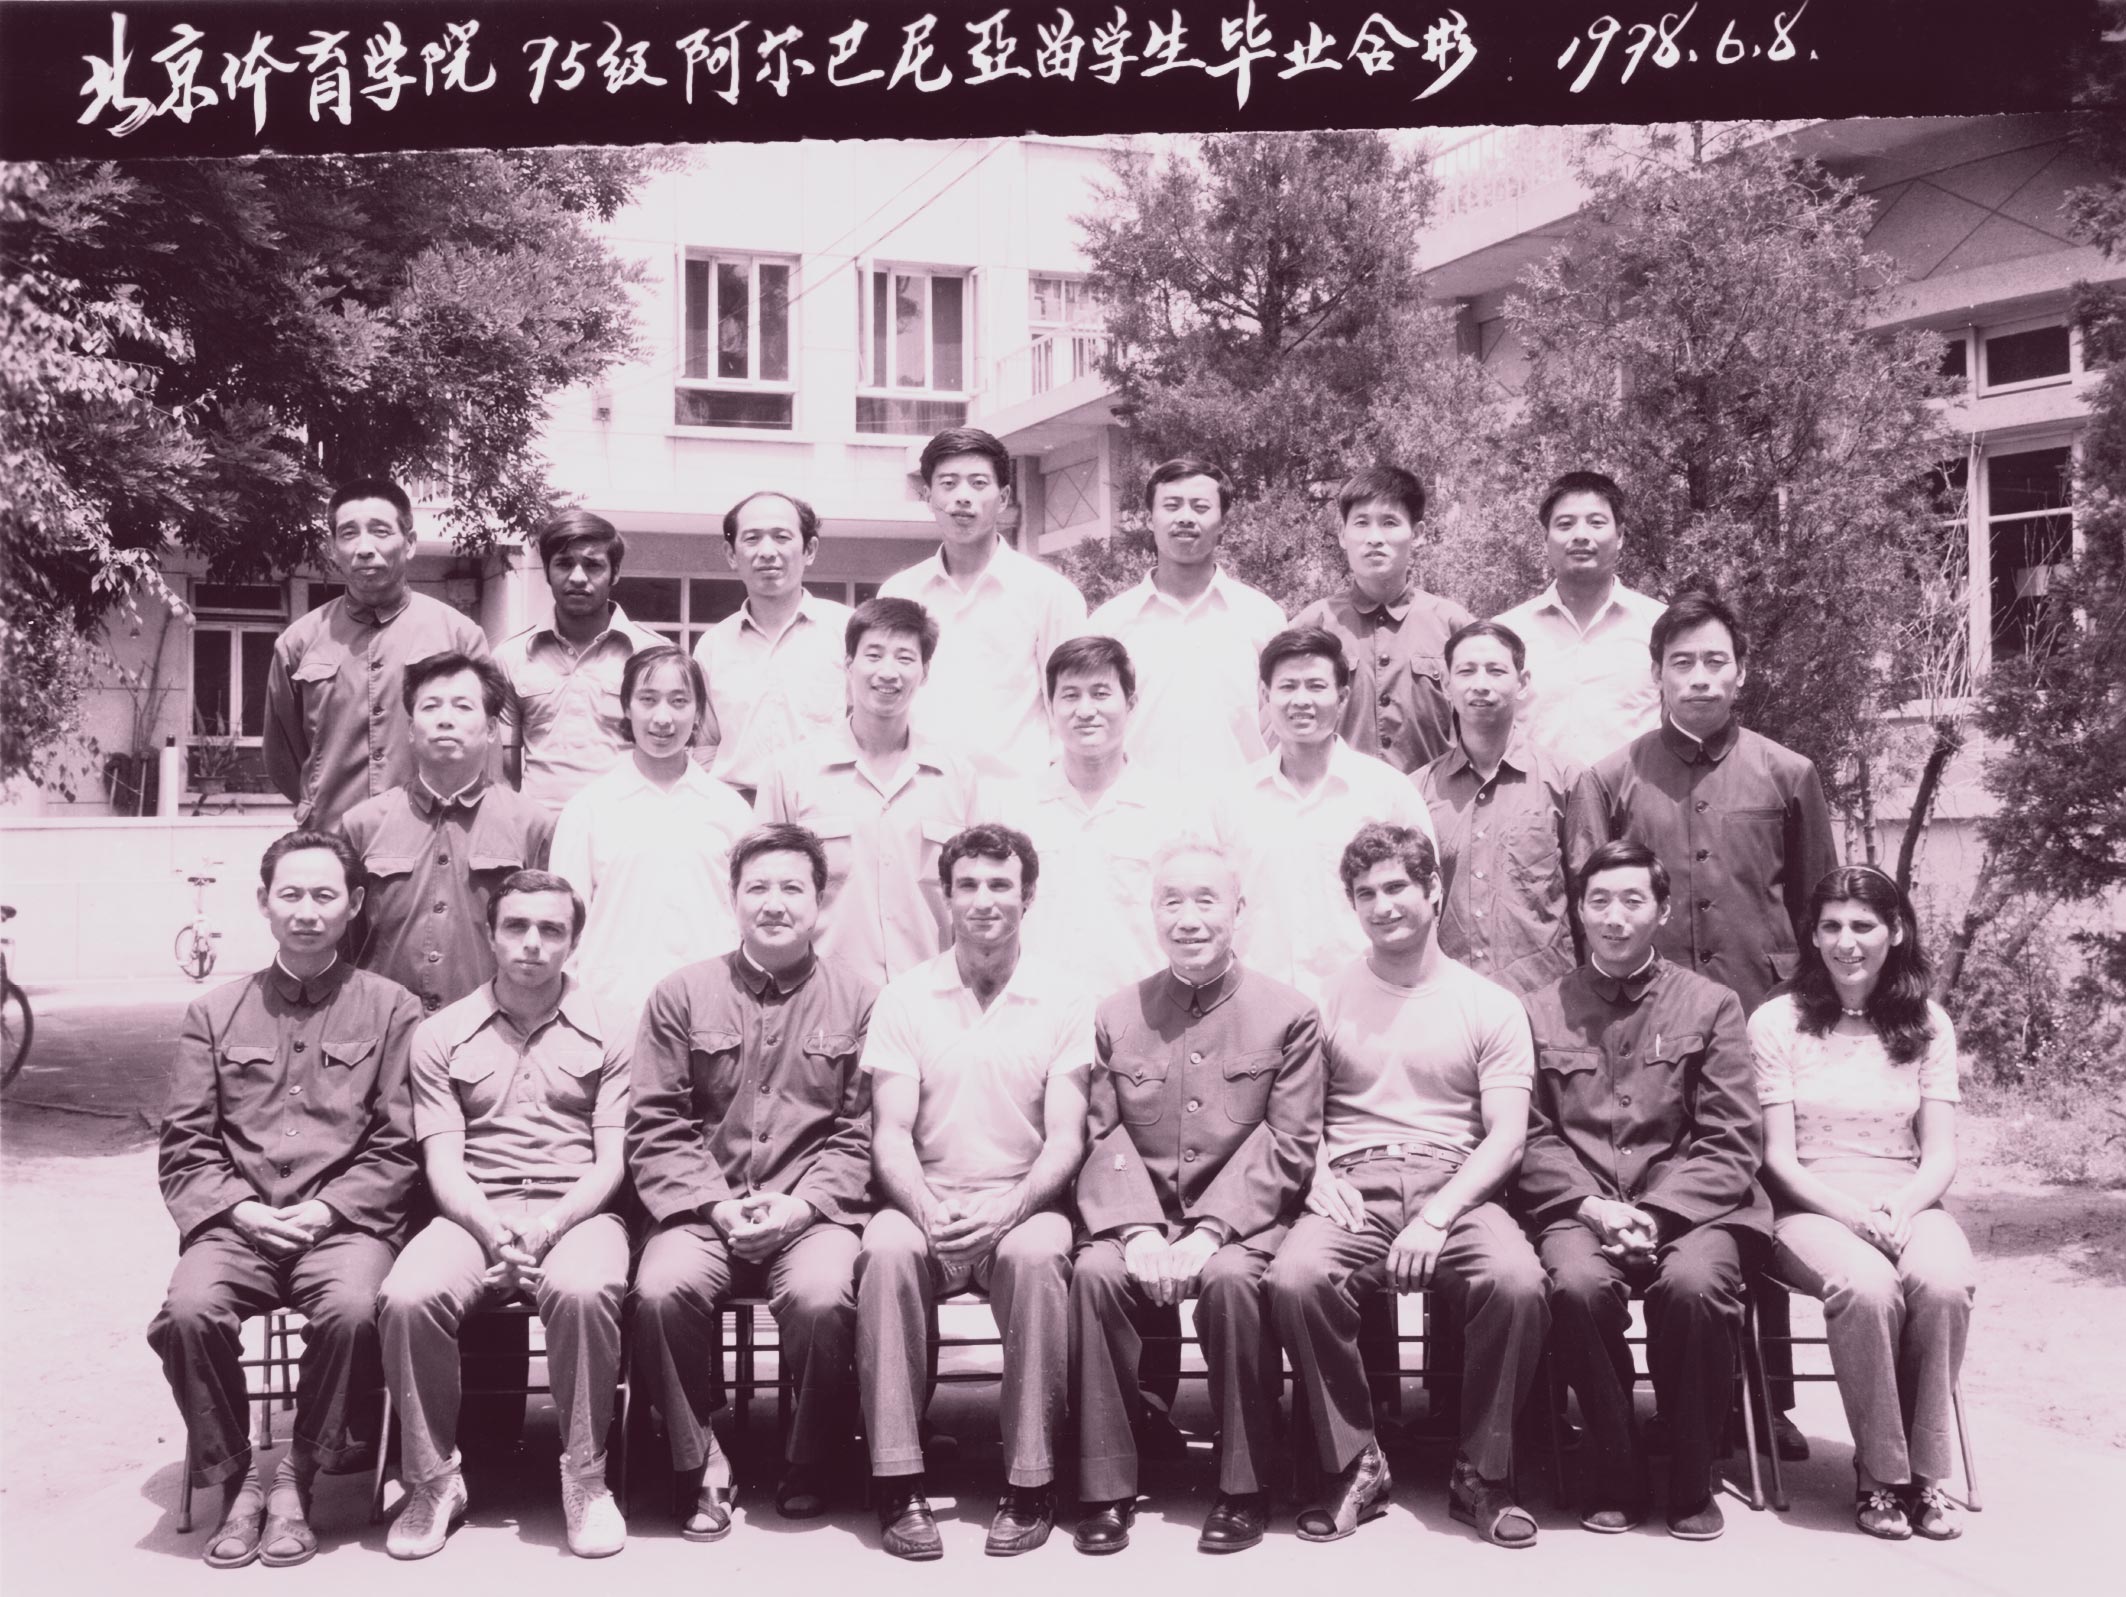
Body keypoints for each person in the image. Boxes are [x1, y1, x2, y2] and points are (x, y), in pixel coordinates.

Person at [1266, 824, 1547, 1551]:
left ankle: (1483, 1472)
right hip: (1354, 1183)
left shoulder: (1489, 1004)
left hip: (1456, 1182)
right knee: (1297, 1278)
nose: (1383, 905)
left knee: (1516, 1282)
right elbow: (1298, 1115)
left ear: (1433, 890)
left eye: (1396, 887)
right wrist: (1317, 1175)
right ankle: (1356, 1462)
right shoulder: (1324, 1001)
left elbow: (1507, 1135)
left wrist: (1439, 1215)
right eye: (1366, 893)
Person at [149, 831, 420, 1569]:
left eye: (324, 895)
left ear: (354, 904)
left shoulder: (392, 1009)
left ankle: (298, 1474)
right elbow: (184, 1143)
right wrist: (240, 1209)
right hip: (236, 1225)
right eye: (291, 894)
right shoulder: (214, 1012)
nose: (307, 911)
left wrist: (329, 1211)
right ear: (264, 903)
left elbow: (400, 1142)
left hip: (345, 1227)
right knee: (187, 1313)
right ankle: (238, 1478)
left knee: (354, 1311)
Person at [1071, 841, 1320, 1556]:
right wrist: (1138, 1230)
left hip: (1242, 1224)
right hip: (1140, 1216)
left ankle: (1244, 1486)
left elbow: (1290, 1140)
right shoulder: (1117, 1014)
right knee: (1095, 1275)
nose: (1188, 919)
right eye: (1171, 901)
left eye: (1206, 900)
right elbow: (1102, 1132)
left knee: (1233, 1283)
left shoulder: (1289, 1013)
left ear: (1238, 910)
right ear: (1151, 913)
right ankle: (1106, 1485)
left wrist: (1210, 1231)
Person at [1517, 841, 1771, 1541]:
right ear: (1578, 910)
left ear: (1662, 911)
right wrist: (1592, 1207)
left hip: (1694, 1208)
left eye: (1633, 900)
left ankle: (1691, 1477)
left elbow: (1732, 1137)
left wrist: (1657, 1214)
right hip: (1580, 1206)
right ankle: (1616, 1465)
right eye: (1599, 900)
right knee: (1574, 1286)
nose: (1615, 916)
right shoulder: (1537, 1011)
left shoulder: (1712, 1005)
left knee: (1694, 1287)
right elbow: (1530, 1135)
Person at [629, 824, 876, 1536]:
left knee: (824, 1296)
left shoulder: (860, 1000)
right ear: (733, 897)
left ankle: (811, 1454)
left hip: (813, 1212)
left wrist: (803, 1206)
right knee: (661, 1290)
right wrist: (714, 1205)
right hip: (703, 1211)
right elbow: (655, 1120)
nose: (774, 903)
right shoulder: (680, 994)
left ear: (820, 901)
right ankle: (700, 1458)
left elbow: (860, 1128)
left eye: (792, 887)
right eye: (757, 887)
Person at [377, 871, 631, 1560]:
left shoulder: (613, 1028)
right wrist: (493, 1231)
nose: (532, 943)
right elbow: (443, 1163)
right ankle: (434, 1481)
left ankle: (586, 1478)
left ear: (573, 941)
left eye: (551, 929)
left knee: (584, 1290)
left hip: (577, 1211)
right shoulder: (441, 1033)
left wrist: (547, 1228)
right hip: (474, 1211)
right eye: (516, 926)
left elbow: (610, 1161)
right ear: (490, 935)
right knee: (408, 1296)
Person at [855, 825, 1090, 1560]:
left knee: (1037, 1258)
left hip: (1023, 1202)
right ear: (947, 896)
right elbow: (890, 1132)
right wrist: (927, 1208)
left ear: (1028, 894)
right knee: (885, 1251)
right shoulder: (905, 997)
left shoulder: (1063, 997)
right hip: (926, 1199)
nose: (984, 900)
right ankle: (898, 1482)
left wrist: (1008, 1208)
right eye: (968, 885)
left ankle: (1030, 1481)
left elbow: (1066, 1138)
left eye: (1000, 884)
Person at [1751, 865, 1975, 1542]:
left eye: (1863, 925)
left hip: (1907, 1194)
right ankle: (1880, 1475)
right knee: (1868, 1286)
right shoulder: (1778, 1021)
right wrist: (1851, 1215)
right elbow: (1777, 1158)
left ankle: (1927, 1475)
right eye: (1831, 926)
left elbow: (1940, 1152)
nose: (1845, 942)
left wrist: (1902, 1206)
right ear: (1813, 936)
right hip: (1810, 1202)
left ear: (1895, 931)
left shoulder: (1928, 1022)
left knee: (1943, 1282)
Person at [1567, 589, 1839, 1018]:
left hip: (1767, 1003)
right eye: (1682, 662)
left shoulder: (1789, 774)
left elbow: (1820, 905)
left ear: (1741, 671)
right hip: (1647, 1008)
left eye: (1715, 661)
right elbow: (1589, 912)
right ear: (1657, 673)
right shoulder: (1610, 779)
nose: (1699, 678)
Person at [757, 598, 983, 987]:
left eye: (905, 658)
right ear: (848, 664)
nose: (888, 672)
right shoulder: (791, 773)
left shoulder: (956, 778)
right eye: (873, 655)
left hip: (931, 998)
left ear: (925, 672)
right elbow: (761, 893)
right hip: (820, 1000)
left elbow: (977, 896)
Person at [1212, 627, 1435, 1000]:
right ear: (1265, 696)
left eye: (1316, 686)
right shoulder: (1230, 800)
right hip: (1258, 1005)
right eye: (1287, 687)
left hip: (1368, 1004)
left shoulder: (1387, 792)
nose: (1301, 700)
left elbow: (1426, 902)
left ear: (1342, 696)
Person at [264, 478, 492, 832]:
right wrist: (322, 800)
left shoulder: (459, 635)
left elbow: (483, 748)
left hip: (431, 836)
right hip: (333, 838)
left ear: (410, 543)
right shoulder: (298, 642)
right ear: (332, 548)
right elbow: (283, 757)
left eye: (380, 532)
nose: (364, 548)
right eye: (349, 533)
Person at [550, 645, 755, 1034]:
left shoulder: (731, 811)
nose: (663, 718)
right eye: (648, 699)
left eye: (679, 701)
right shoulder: (588, 810)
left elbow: (747, 920)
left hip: (714, 1017)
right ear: (627, 707)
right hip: (613, 1015)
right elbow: (563, 923)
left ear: (698, 711)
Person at [340, 652, 554, 1014]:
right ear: (411, 730)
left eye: (462, 706)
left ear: (491, 730)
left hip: (493, 1027)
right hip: (384, 1027)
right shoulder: (362, 825)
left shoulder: (533, 826)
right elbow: (344, 942)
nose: (445, 719)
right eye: (431, 706)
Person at [997, 636, 1204, 999]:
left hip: (1147, 1014)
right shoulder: (1013, 809)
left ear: (1131, 703)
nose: (1085, 710)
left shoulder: (1174, 810)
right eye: (1070, 695)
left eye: (1100, 693)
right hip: (1036, 1013)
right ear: (1050, 706)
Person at [879, 427, 1088, 781]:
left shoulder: (1050, 594)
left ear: (1003, 497)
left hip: (1016, 792)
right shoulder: (899, 593)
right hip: (918, 789)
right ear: (928, 496)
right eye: (948, 484)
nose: (963, 497)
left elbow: (1071, 701)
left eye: (978, 483)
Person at [1085, 459, 1286, 782]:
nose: (1185, 517)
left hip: (1240, 801)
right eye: (1172, 505)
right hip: (1136, 803)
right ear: (1149, 519)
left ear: (1223, 523)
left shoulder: (1261, 617)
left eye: (1201, 507)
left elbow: (1281, 724)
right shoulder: (1109, 624)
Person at [1414, 621, 1580, 997]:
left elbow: (1590, 898)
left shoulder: (1566, 781)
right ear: (1446, 683)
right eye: (1466, 671)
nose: (1481, 684)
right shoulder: (1419, 790)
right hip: (1449, 1000)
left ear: (1522, 682)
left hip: (1546, 999)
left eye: (1496, 670)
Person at [1291, 466, 1474, 773]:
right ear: (1342, 535)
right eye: (1361, 523)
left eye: (1389, 523)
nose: (1374, 538)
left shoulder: (1454, 625)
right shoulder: (1313, 625)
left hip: (1432, 798)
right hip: (1337, 796)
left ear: (1418, 534)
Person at [493, 509, 669, 814]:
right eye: (563, 564)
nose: (577, 577)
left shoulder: (653, 654)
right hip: (541, 827)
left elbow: (670, 755)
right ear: (546, 571)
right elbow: (506, 769)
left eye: (593, 565)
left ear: (615, 573)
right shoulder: (511, 656)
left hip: (628, 824)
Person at [1494, 471, 1666, 770]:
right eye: (1565, 524)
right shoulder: (1506, 633)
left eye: (1596, 522)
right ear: (1545, 539)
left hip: (1632, 797)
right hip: (1537, 797)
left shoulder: (1659, 625)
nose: (1581, 535)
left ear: (1620, 536)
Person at [693, 491, 854, 804]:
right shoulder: (713, 645)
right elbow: (705, 742)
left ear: (809, 550)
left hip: (827, 805)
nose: (767, 552)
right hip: (738, 808)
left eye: (781, 537)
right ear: (731, 554)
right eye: (752, 538)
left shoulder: (848, 631)